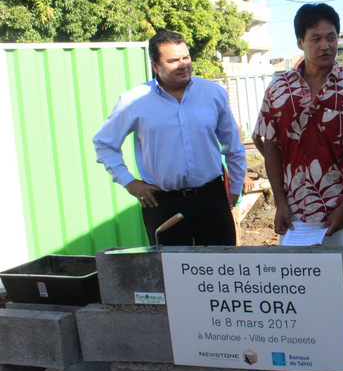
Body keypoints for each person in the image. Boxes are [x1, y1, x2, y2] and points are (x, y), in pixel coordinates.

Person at [252, 3, 343, 246]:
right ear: (299, 42)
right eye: (315, 38)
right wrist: (280, 203)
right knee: (301, 283)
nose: (325, 45)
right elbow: (271, 148)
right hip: (295, 217)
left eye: (331, 37)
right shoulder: (278, 90)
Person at [93, 30, 245, 246]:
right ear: (155, 65)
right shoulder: (134, 101)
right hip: (162, 203)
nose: (183, 65)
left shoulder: (212, 93)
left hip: (211, 199)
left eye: (186, 57)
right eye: (173, 60)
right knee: (170, 273)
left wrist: (236, 186)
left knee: (220, 269)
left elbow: (233, 146)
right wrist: (128, 182)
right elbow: (104, 143)